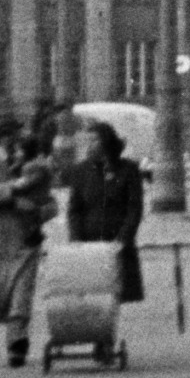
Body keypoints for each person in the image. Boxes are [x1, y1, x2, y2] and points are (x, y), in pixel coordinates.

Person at [0, 121, 54, 368]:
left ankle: (17, 342)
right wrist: (15, 190)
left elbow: (52, 205)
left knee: (22, 292)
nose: (15, 146)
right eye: (12, 139)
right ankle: (15, 337)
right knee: (3, 291)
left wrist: (39, 211)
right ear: (1, 139)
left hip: (27, 237)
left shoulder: (33, 167)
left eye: (18, 140)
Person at [60, 118, 148, 305]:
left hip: (118, 244)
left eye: (94, 140)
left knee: (114, 297)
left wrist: (122, 240)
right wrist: (76, 239)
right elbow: (74, 210)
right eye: (87, 141)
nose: (88, 145)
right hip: (88, 246)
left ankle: (111, 334)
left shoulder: (128, 170)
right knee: (92, 298)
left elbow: (135, 209)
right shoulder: (81, 171)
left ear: (106, 141)